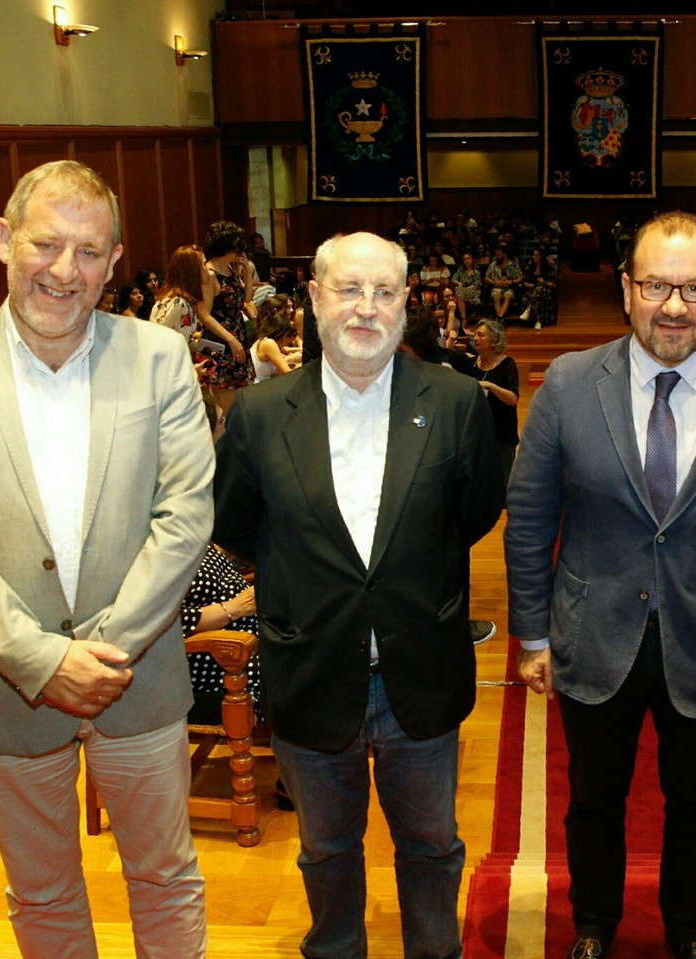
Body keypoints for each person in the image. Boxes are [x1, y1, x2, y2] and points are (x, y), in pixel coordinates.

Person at [0, 160, 213, 959]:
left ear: (116, 258)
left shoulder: (160, 355)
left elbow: (187, 512)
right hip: (6, 685)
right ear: (3, 240)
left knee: (165, 877)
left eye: (90, 251)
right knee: (41, 893)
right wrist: (42, 658)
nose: (65, 271)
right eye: (45, 243)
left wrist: (102, 650)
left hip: (134, 674)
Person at [505, 211, 696, 959]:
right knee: (594, 801)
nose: (673, 305)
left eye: (693, 287)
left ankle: (689, 929)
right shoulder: (566, 383)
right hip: (594, 634)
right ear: (627, 288)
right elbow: (531, 518)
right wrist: (531, 633)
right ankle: (594, 923)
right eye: (658, 284)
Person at [212, 231, 503, 959]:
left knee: (433, 846)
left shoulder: (459, 403)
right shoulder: (258, 414)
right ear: (313, 298)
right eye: (349, 289)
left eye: (383, 291)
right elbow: (238, 525)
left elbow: (473, 513)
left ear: (406, 302)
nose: (366, 307)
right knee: (326, 851)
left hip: (422, 674)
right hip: (312, 670)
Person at [454, 318, 519, 486]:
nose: (475, 338)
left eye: (480, 335)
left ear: (494, 340)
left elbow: (512, 399)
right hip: (478, 433)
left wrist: (491, 386)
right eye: (475, 334)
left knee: (503, 482)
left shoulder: (507, 364)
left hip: (502, 434)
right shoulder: (471, 364)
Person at [203, 220, 256, 414]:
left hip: (237, 337)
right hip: (222, 341)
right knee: (225, 410)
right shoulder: (209, 273)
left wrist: (248, 273)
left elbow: (246, 300)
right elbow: (204, 314)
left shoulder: (230, 269)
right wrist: (230, 339)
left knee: (240, 405)